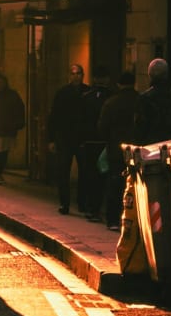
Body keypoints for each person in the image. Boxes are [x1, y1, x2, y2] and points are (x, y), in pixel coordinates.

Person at [97, 71, 139, 229]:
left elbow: (102, 127)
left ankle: (113, 219)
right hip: (136, 150)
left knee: (114, 183)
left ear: (119, 84)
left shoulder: (111, 103)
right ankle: (132, 219)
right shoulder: (140, 101)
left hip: (115, 149)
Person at [47, 64, 88, 214]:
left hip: (82, 138)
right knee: (63, 171)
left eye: (78, 73)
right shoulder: (62, 93)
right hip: (64, 138)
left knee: (84, 172)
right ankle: (64, 203)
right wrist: (51, 139)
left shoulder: (87, 92)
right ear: (69, 76)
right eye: (73, 73)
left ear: (82, 75)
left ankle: (82, 203)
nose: (76, 76)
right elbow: (54, 117)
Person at [78, 70, 113, 217]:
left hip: (89, 141)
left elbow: (80, 120)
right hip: (105, 142)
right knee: (104, 175)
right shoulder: (112, 97)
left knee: (89, 174)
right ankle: (99, 206)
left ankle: (91, 207)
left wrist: (80, 139)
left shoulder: (86, 98)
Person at [135, 58, 171, 145]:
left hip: (151, 146)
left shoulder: (144, 98)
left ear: (149, 75)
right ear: (166, 75)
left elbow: (140, 127)